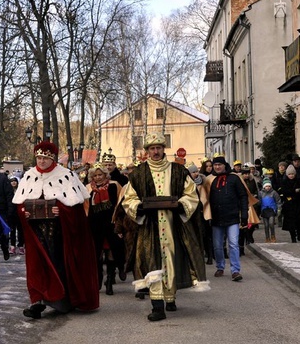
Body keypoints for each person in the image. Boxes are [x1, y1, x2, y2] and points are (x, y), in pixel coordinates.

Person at [121, 132, 207, 321]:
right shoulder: (138, 174)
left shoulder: (178, 170)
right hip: (149, 226)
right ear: (147, 152)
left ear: (163, 149)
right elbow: (129, 199)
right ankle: (157, 305)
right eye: (152, 148)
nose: (156, 151)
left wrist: (180, 205)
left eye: (159, 148)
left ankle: (170, 297)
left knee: (173, 259)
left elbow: (191, 194)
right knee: (152, 260)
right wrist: (139, 208)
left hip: (174, 223)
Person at [12, 141, 99, 319]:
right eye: (39, 158)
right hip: (36, 232)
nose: (41, 161)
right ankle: (37, 301)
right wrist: (24, 212)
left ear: (52, 158)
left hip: (60, 233)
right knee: (37, 266)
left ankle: (62, 299)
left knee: (59, 264)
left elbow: (76, 208)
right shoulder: (29, 175)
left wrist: (62, 210)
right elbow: (19, 205)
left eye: (45, 158)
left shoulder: (66, 175)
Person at [85, 163, 124, 296]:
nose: (98, 177)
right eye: (95, 175)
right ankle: (98, 278)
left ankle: (110, 280)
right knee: (97, 254)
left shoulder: (114, 185)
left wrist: (119, 223)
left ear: (105, 174)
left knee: (111, 252)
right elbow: (85, 208)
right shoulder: (88, 188)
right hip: (94, 225)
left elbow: (120, 204)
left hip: (111, 224)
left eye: (100, 174)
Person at [208, 156, 248, 282]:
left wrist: (244, 215)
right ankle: (220, 266)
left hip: (232, 217)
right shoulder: (210, 180)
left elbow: (243, 196)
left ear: (225, 165)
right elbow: (203, 196)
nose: (217, 167)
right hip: (216, 218)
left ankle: (235, 270)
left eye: (220, 164)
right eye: (215, 165)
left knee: (233, 244)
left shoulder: (234, 178)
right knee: (218, 246)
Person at [187, 162, 213, 266]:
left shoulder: (204, 181)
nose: (196, 174)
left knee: (206, 235)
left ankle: (209, 256)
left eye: (196, 171)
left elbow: (209, 194)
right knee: (196, 236)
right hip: (193, 213)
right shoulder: (188, 183)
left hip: (204, 211)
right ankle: (198, 257)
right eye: (193, 172)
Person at [279, 164, 300, 243]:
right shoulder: (284, 182)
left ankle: (299, 233)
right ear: (287, 174)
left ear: (295, 174)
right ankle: (293, 237)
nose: (291, 176)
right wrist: (294, 191)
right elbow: (284, 192)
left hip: (299, 205)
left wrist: (297, 192)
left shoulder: (299, 181)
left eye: (292, 174)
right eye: (289, 174)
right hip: (289, 205)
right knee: (290, 223)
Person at [259, 179, 282, 243]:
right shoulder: (261, 193)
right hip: (264, 210)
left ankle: (273, 236)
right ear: (264, 186)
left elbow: (278, 201)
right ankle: (267, 237)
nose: (268, 187)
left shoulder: (274, 193)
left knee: (271, 224)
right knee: (266, 225)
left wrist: (279, 209)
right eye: (266, 186)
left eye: (269, 186)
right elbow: (259, 202)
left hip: (272, 210)